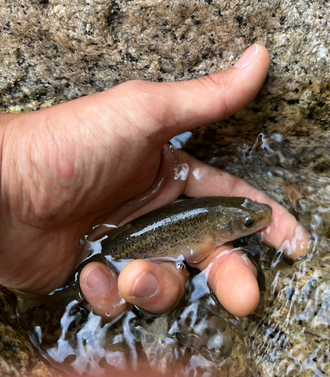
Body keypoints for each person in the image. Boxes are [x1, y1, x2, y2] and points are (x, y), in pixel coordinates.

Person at [0, 44, 310, 320]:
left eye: (248, 217)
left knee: (135, 284)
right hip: (107, 252)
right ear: (223, 227)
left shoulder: (213, 218)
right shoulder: (208, 231)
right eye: (246, 221)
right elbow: (198, 253)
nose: (256, 218)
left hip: (93, 252)